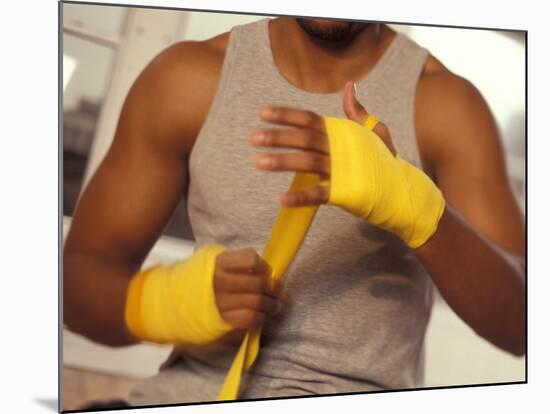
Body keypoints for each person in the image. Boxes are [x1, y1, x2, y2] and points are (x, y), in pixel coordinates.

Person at [63, 16, 525, 406]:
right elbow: (78, 284)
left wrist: (414, 206)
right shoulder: (187, 79)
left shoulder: (445, 106)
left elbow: (523, 323)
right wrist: (173, 300)